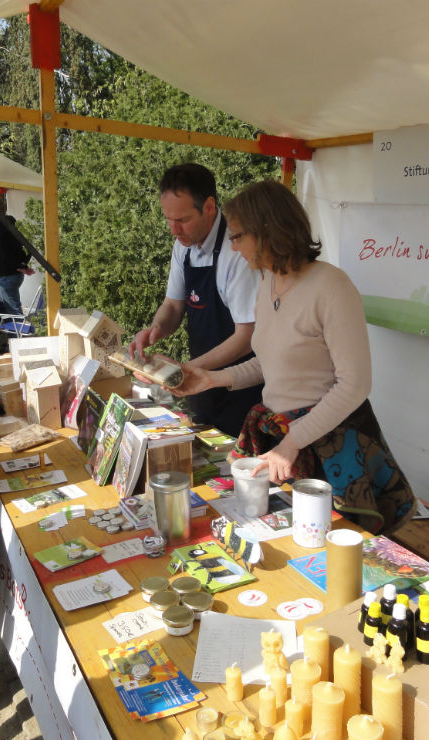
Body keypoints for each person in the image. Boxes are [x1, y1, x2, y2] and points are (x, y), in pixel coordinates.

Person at [174, 180, 416, 534]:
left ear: (268, 230)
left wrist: (292, 443)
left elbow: (355, 385)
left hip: (332, 448)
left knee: (337, 548)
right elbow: (268, 362)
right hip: (285, 442)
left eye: (238, 236)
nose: (233, 245)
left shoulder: (331, 286)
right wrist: (215, 378)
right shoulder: (266, 283)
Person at [129, 163, 262, 437]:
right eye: (168, 218)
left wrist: (185, 371)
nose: (174, 229)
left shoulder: (236, 251)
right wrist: (156, 330)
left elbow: (247, 336)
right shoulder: (183, 246)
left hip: (243, 393)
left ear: (210, 206)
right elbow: (173, 305)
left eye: (183, 219)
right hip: (203, 387)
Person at [0, 201, 34, 318]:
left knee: (13, 311)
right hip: (12, 274)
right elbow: (25, 247)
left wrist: (21, 266)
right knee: (3, 307)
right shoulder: (11, 225)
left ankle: (18, 335)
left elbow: (4, 253)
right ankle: (8, 333)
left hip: (8, 275)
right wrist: (24, 264)